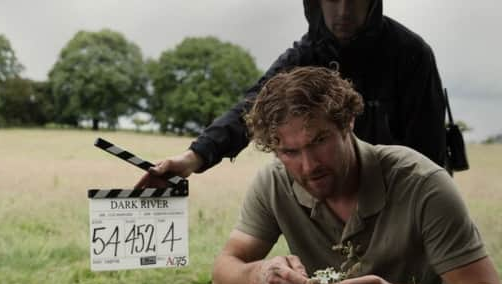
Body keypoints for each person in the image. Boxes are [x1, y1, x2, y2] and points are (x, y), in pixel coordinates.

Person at [211, 67, 502, 284]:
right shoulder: (273, 184)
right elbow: (224, 274)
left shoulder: (422, 183)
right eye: (288, 151)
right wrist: (261, 274)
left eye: (320, 141)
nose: (308, 165)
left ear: (348, 123)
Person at [138, 0, 447, 187]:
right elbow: (252, 107)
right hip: (330, 196)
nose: (343, 10)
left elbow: (429, 155)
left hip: (396, 192)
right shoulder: (305, 55)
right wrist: (194, 157)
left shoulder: (411, 54)